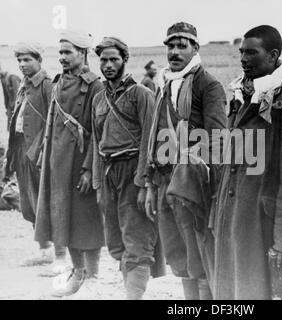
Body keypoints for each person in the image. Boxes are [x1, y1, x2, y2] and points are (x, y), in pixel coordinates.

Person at [212, 25, 282, 300]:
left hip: (267, 229)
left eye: (252, 53)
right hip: (239, 222)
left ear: (272, 56)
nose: (244, 59)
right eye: (241, 52)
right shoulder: (242, 98)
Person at [143, 22, 227, 300]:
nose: (175, 52)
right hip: (165, 179)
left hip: (193, 182)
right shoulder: (165, 84)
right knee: (178, 252)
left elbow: (217, 139)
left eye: (182, 46)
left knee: (199, 254)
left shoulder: (208, 84)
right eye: (170, 46)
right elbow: (154, 134)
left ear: (195, 48)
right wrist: (148, 181)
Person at [91, 37, 165, 300]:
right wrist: (98, 183)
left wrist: (145, 181)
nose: (108, 65)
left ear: (125, 60)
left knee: (137, 239)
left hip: (134, 168)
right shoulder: (99, 99)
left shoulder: (141, 94)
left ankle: (133, 296)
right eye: (103, 60)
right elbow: (96, 142)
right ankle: (130, 292)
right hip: (110, 172)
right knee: (115, 241)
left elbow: (150, 138)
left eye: (114, 59)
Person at [34, 30, 105, 297]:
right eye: (60, 52)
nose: (62, 57)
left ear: (83, 53)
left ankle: (93, 272)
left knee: (86, 216)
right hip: (58, 161)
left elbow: (96, 131)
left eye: (68, 52)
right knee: (63, 216)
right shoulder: (57, 82)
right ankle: (78, 270)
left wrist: (89, 168)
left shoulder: (94, 85)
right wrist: (45, 155)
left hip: (80, 161)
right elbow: (51, 124)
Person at [5, 43, 67, 269]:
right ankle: (44, 250)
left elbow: (56, 121)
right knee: (29, 202)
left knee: (46, 203)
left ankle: (59, 257)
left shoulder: (47, 85)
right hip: (21, 149)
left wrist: (42, 150)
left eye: (27, 60)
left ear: (38, 60)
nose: (22, 64)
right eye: (19, 60)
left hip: (39, 152)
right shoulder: (24, 85)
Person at [0, 63, 21, 130]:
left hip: (17, 109)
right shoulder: (2, 79)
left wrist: (14, 109)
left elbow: (18, 95)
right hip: (11, 108)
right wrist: (7, 108)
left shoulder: (12, 78)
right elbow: (5, 95)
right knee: (11, 130)